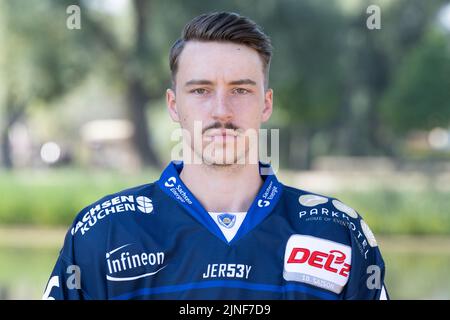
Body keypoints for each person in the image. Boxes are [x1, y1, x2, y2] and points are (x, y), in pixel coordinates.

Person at [43, 11, 388, 300]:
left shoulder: (337, 232)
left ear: (266, 103)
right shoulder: (104, 232)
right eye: (201, 90)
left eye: (240, 89)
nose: (221, 110)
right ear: (174, 105)